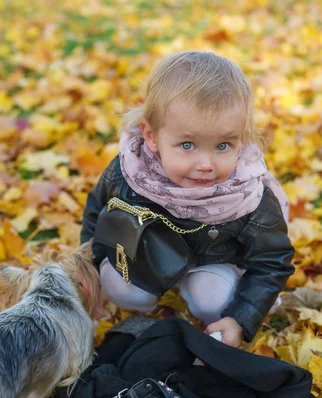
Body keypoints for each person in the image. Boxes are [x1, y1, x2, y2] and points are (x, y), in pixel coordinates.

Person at [80, 51, 295, 348]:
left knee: (211, 298)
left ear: (241, 138)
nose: (206, 164)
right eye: (187, 145)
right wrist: (92, 265)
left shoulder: (247, 195)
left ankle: (213, 300)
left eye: (223, 145)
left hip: (214, 263)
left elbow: (272, 261)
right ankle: (145, 295)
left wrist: (241, 316)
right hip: (145, 256)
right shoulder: (131, 171)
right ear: (152, 136)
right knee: (121, 287)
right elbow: (97, 212)